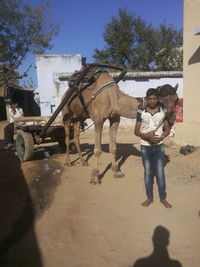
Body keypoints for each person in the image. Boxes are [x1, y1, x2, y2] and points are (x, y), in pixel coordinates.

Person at [134, 88, 172, 208]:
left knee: (160, 173)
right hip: (145, 147)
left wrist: (161, 137)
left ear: (158, 99)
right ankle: (149, 197)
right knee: (148, 173)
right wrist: (146, 135)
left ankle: (163, 198)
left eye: (154, 98)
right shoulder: (141, 112)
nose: (152, 101)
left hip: (159, 147)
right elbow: (136, 131)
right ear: (146, 99)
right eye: (149, 99)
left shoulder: (163, 111)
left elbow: (167, 129)